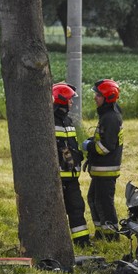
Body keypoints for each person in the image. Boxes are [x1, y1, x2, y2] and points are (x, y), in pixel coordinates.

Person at [83, 79, 124, 241]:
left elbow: (105, 147)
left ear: (108, 97)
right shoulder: (107, 115)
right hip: (101, 169)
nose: (95, 98)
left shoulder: (110, 118)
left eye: (98, 95)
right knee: (93, 199)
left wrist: (89, 146)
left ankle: (112, 236)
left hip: (106, 170)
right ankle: (101, 233)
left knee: (104, 203)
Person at [52, 82, 89, 247]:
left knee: (77, 207)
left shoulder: (67, 120)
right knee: (56, 211)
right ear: (62, 100)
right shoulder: (50, 120)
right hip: (58, 177)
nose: (72, 102)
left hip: (72, 176)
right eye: (69, 99)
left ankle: (82, 241)